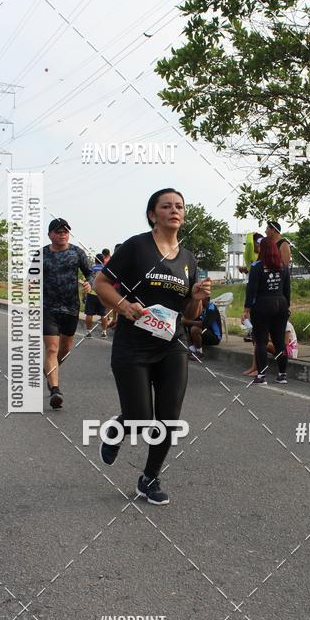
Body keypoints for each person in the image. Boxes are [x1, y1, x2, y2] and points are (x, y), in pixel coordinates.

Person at [94, 188, 211, 505]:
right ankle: (118, 427)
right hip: (133, 345)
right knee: (140, 419)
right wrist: (123, 306)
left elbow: (189, 315)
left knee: (169, 420)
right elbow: (100, 283)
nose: (175, 210)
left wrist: (196, 299)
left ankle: (149, 479)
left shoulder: (188, 259)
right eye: (166, 206)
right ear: (152, 214)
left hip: (171, 345)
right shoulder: (136, 247)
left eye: (179, 206)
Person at [41, 218, 92, 409]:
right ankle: (55, 390)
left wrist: (90, 282)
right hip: (48, 308)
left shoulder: (77, 252)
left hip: (71, 308)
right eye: (58, 231)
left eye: (65, 231)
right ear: (50, 235)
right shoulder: (42, 254)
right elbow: (32, 276)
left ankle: (50, 369)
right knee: (52, 349)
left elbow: (91, 274)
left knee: (65, 349)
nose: (62, 234)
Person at [242, 237, 291, 385]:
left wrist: (246, 309)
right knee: (279, 342)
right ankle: (282, 375)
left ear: (262, 249)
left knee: (261, 341)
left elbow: (251, 290)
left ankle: (261, 376)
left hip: (262, 305)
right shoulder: (283, 266)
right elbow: (287, 289)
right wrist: (287, 306)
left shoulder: (257, 266)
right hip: (281, 304)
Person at [184, 296, 222, 360]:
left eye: (200, 298)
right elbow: (194, 319)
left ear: (206, 299)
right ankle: (192, 349)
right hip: (204, 332)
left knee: (194, 329)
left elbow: (205, 324)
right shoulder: (200, 307)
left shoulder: (211, 308)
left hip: (214, 337)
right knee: (185, 325)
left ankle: (200, 353)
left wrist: (187, 321)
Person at [84, 254, 109, 338]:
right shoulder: (106, 269)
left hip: (91, 293)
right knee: (103, 314)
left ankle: (88, 332)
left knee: (89, 313)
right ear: (103, 260)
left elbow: (86, 281)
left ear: (95, 260)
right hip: (102, 294)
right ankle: (104, 332)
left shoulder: (91, 268)